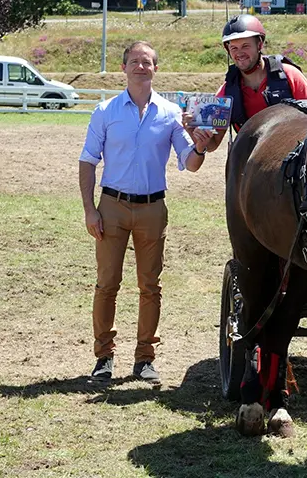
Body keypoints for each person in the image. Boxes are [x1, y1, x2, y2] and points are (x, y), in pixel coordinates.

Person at [78, 41, 212, 384]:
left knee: (150, 286)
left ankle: (145, 359)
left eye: (147, 62)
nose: (141, 66)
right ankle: (104, 356)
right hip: (112, 206)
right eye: (134, 61)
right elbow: (88, 160)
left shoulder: (171, 113)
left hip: (153, 208)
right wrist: (90, 210)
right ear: (123, 68)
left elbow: (190, 163)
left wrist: (200, 146)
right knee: (107, 283)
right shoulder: (105, 111)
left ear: (155, 69)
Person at [190, 14, 307, 152]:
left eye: (245, 46)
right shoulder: (226, 92)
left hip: (292, 154)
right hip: (250, 158)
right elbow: (212, 145)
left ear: (259, 45)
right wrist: (193, 130)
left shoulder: (289, 75)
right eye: (234, 48)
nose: (240, 53)